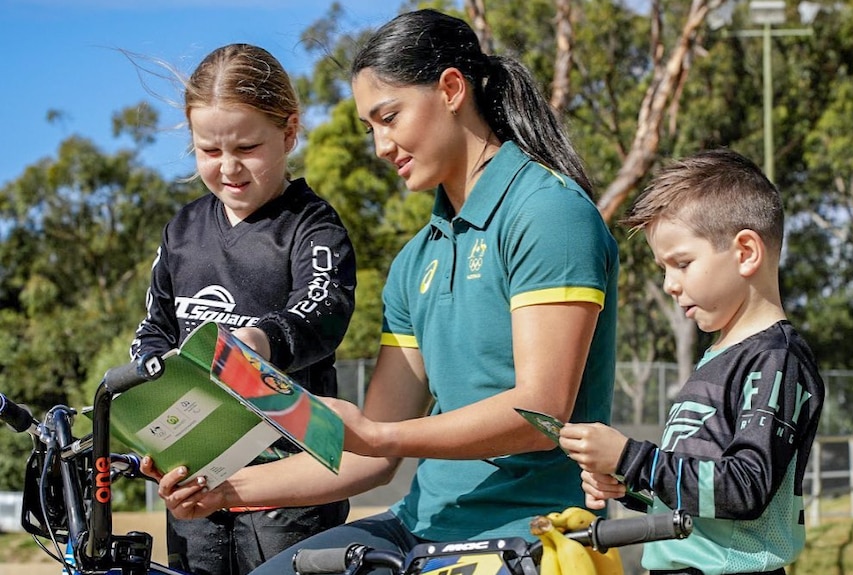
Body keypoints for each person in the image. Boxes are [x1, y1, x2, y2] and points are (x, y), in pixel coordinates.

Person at [144, 9, 619, 575]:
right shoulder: (415, 259)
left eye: (388, 117)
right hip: (416, 523)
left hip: (530, 532)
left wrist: (377, 432)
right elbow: (372, 457)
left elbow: (539, 412)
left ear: (450, 89)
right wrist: (223, 490)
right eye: (370, 128)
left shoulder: (548, 211)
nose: (380, 146)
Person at [130, 43, 356, 575]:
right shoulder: (182, 231)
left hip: (292, 485)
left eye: (248, 147)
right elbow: (155, 328)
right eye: (209, 150)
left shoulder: (311, 226)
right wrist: (148, 401)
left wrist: (259, 344)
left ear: (289, 131)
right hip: (195, 482)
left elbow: (322, 311)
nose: (229, 168)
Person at [560, 149, 825, 575]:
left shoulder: (777, 359)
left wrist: (632, 458)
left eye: (681, 263)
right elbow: (698, 498)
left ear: (745, 252)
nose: (669, 284)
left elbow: (745, 488)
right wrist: (628, 483)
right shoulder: (714, 360)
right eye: (663, 268)